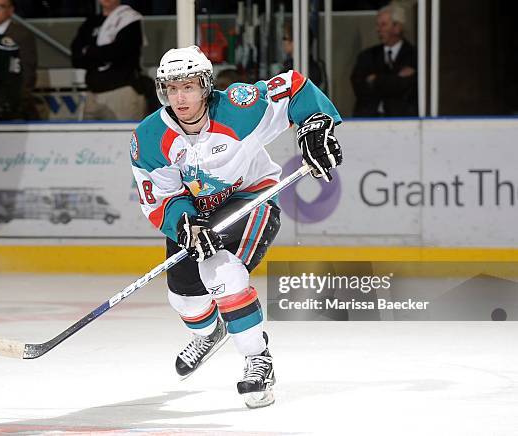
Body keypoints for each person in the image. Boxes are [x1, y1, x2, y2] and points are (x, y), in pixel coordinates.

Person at [130, 46, 343, 408]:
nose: (180, 97)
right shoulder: (150, 137)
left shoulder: (238, 108)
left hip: (251, 197)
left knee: (221, 271)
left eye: (189, 87)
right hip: (196, 215)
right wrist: (182, 222)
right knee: (183, 296)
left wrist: (316, 122)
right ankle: (212, 331)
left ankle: (258, 359)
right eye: (172, 88)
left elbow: (293, 87)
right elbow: (161, 197)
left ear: (206, 85)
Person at [71, 0, 146, 121]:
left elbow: (119, 53)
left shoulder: (130, 19)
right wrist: (101, 53)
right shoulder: (90, 23)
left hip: (122, 92)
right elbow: (76, 59)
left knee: (126, 139)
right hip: (93, 94)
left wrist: (90, 52)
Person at [350, 3, 417, 117]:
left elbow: (409, 88)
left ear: (397, 27)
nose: (378, 29)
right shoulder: (367, 56)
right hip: (367, 120)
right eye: (377, 25)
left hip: (403, 121)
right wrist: (396, 80)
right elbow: (359, 86)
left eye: (383, 25)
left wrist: (375, 80)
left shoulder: (414, 56)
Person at [0, 0, 41, 120]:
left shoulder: (22, 34)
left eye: (1, 7)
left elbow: (27, 72)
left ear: (11, 10)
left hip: (14, 105)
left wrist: (16, 101)